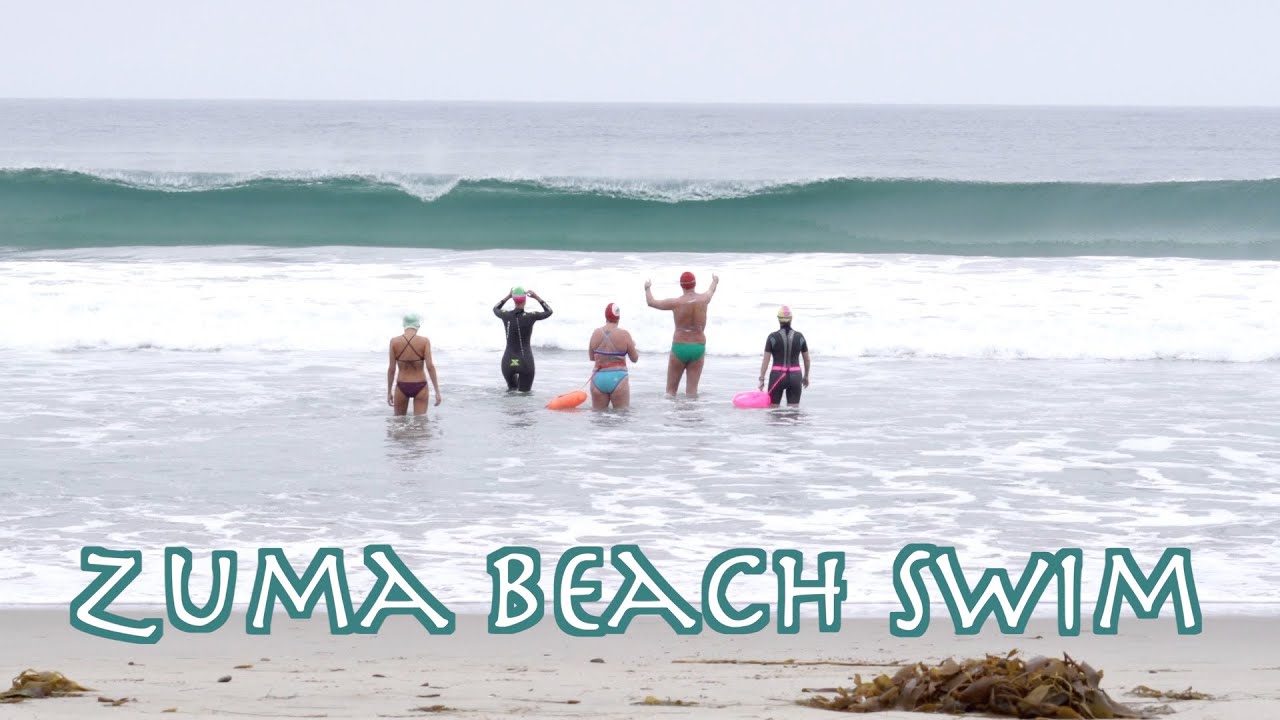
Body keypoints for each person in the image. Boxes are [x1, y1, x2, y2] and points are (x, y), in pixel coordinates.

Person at [645, 271, 719, 396]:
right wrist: (715, 280)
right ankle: (691, 415)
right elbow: (711, 290)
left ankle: (673, 416)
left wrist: (647, 288)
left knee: (670, 391)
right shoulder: (704, 299)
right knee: (692, 392)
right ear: (694, 284)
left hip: (680, 346)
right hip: (698, 347)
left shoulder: (676, 303)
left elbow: (651, 302)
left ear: (681, 285)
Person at [493, 286, 553, 392]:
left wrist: (508, 296)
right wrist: (536, 297)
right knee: (525, 396)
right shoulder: (531, 316)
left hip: (507, 362)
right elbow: (549, 311)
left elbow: (495, 308)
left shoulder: (505, 315)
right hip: (525, 362)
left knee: (511, 393)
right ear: (525, 301)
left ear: (513, 300)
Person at [387, 313, 442, 416]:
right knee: (420, 424)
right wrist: (437, 392)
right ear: (417, 326)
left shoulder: (394, 342)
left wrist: (389, 391)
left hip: (401, 384)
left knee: (399, 425)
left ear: (404, 325)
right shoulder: (424, 341)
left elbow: (391, 369)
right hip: (420, 384)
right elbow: (430, 367)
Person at [587, 303, 639, 410]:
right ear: (618, 317)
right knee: (621, 418)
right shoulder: (624, 334)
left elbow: (592, 357)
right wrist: (633, 345)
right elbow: (635, 358)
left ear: (605, 316)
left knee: (599, 418)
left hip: (598, 378)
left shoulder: (595, 333)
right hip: (618, 378)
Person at [758, 306, 810, 406]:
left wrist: (762, 379)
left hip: (777, 376)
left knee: (773, 412)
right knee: (794, 413)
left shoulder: (772, 337)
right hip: (795, 376)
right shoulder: (800, 337)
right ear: (791, 319)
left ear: (779, 319)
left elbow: (766, 360)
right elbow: (807, 359)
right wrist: (806, 376)